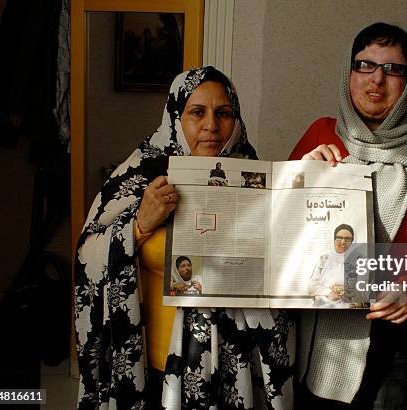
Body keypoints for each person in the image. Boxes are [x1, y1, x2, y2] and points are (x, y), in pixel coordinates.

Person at [75, 67, 293, 410]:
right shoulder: (139, 177)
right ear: (176, 117)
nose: (211, 125)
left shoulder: (257, 177)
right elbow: (87, 252)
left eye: (223, 113)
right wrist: (138, 225)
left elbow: (289, 257)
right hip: (153, 364)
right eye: (197, 112)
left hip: (233, 363)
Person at [289, 23, 407, 409]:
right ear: (350, 72)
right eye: (365, 65)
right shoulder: (322, 133)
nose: (377, 79)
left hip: (400, 321)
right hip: (323, 320)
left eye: (393, 69)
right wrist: (301, 175)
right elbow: (280, 226)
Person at [309, 224, 355, 306]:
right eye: (339, 238)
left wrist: (342, 291)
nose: (343, 242)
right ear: (334, 239)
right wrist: (329, 292)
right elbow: (312, 288)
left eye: (347, 239)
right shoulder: (324, 259)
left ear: (352, 241)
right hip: (323, 303)